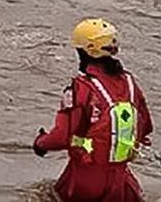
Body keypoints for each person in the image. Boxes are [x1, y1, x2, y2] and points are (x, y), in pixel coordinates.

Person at [33, 18, 154, 202]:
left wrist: (40, 143)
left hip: (84, 181)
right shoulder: (130, 84)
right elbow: (145, 127)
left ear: (84, 50)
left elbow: (62, 136)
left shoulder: (80, 88)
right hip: (122, 183)